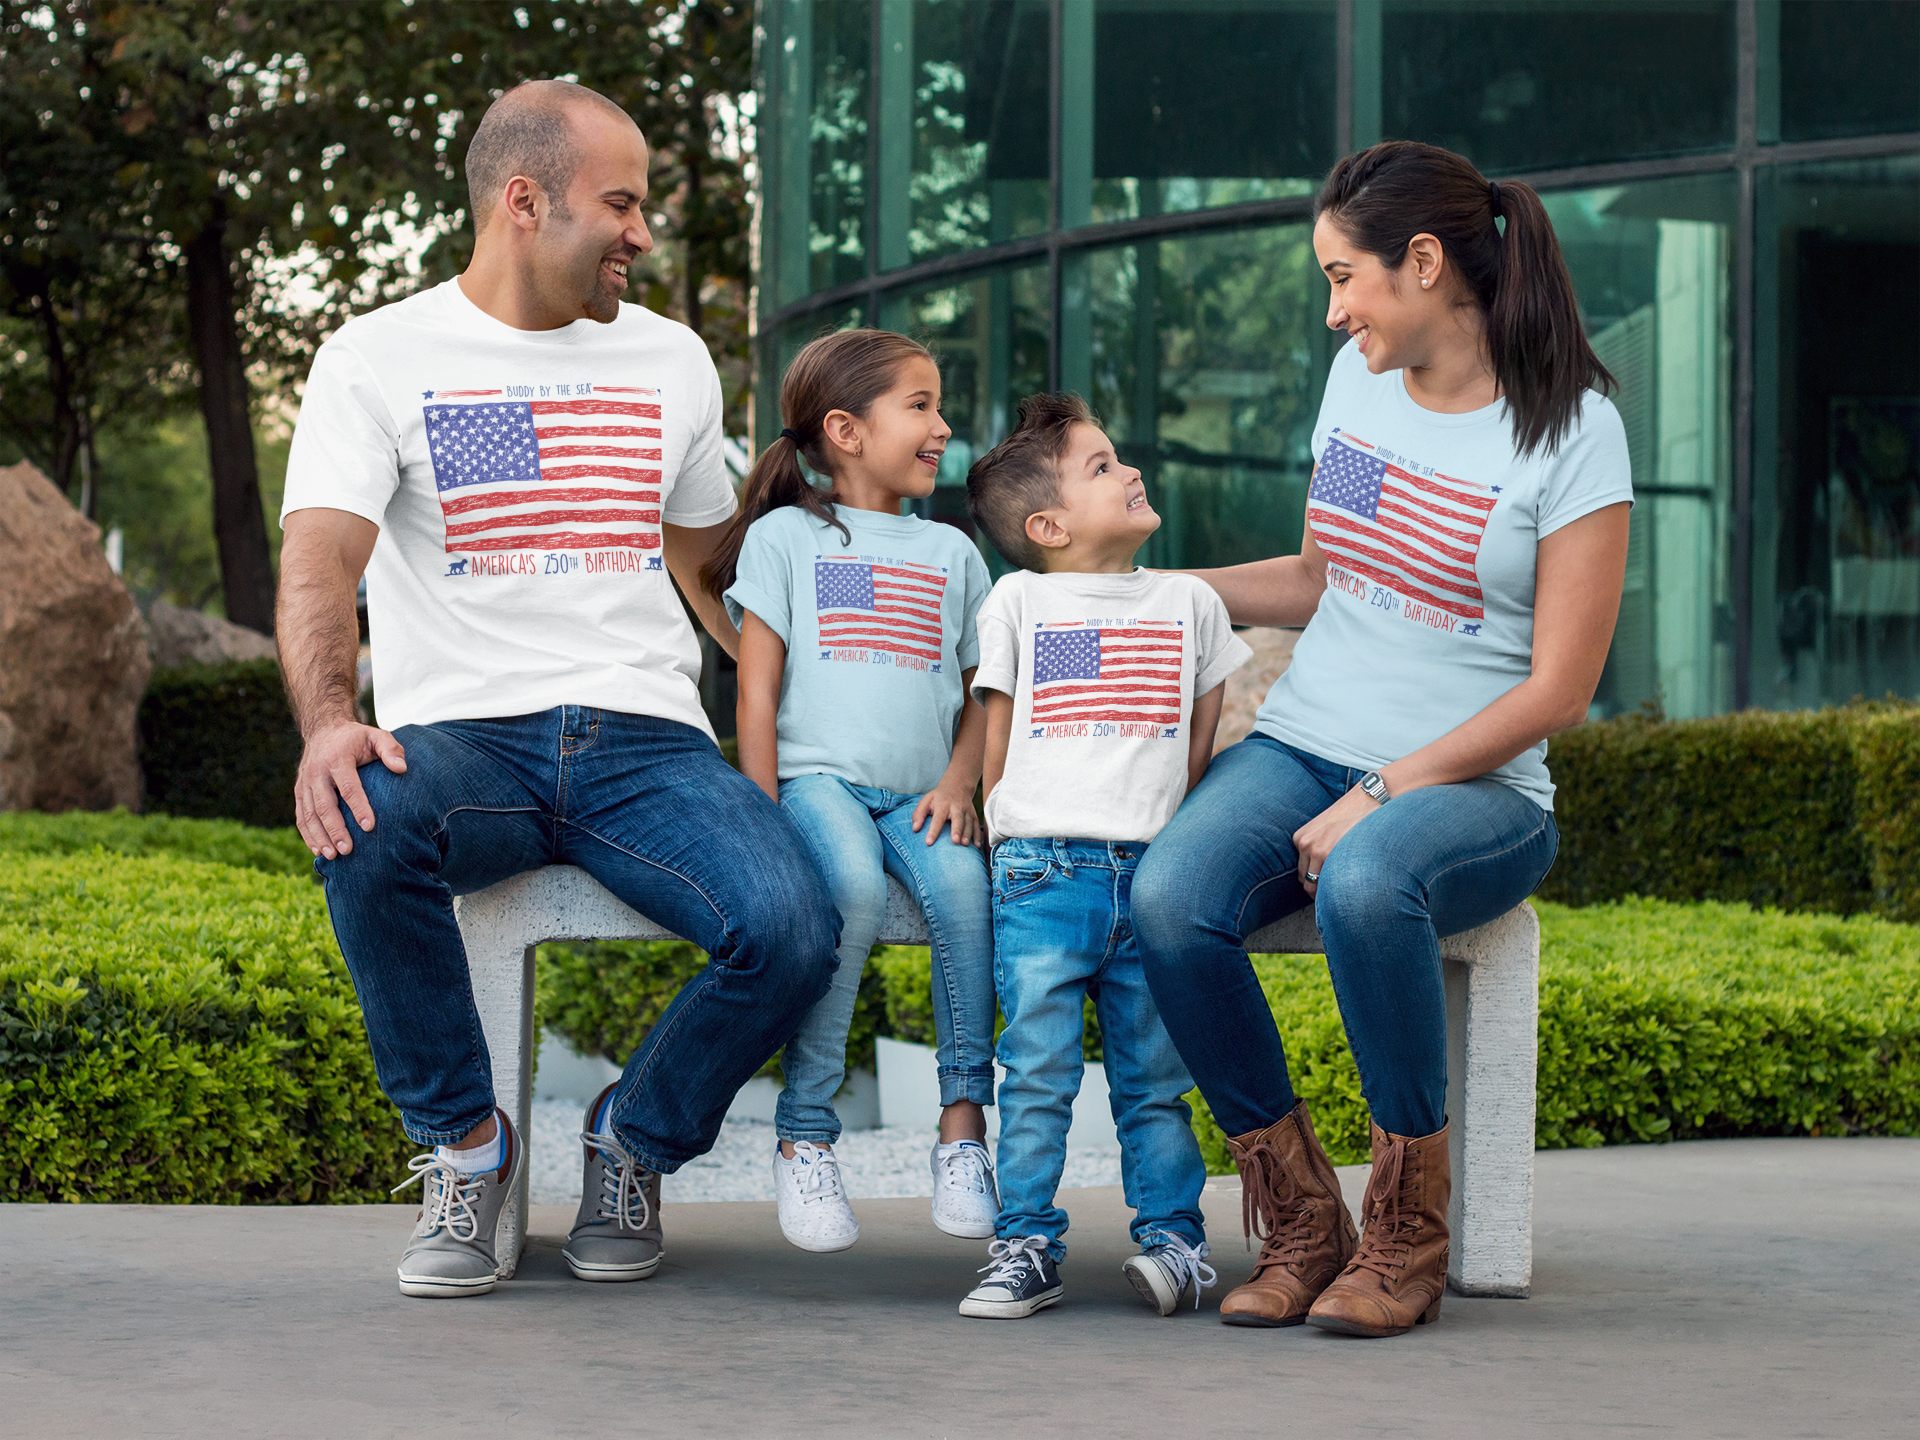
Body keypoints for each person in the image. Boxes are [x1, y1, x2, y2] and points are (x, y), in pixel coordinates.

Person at [276, 80, 838, 1299]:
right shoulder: (376, 356)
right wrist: (329, 726)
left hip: (646, 746)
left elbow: (708, 569)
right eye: (621, 204)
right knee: (361, 819)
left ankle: (632, 1138)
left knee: (792, 923)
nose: (642, 234)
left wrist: (841, 693)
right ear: (525, 203)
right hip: (466, 744)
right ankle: (470, 1153)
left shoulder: (671, 357)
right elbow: (320, 560)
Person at [1131, 140, 1633, 1337]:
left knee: (1367, 879)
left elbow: (1563, 688)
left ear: (1423, 263)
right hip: (1303, 740)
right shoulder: (1358, 385)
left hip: (1478, 788)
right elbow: (1316, 579)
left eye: (1344, 276)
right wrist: (1144, 593)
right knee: (1168, 899)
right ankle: (1305, 1220)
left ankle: (1406, 1227)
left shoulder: (1574, 431)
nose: (1332, 310)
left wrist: (1386, 788)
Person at [957, 394, 1251, 1320]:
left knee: (1154, 1081)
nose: (1128, 471)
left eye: (1117, 458)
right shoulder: (1019, 599)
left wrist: (1165, 832)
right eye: (1100, 467)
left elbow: (1202, 741)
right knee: (1035, 1071)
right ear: (1046, 526)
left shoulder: (1190, 602)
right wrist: (1001, 832)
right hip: (1042, 872)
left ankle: (1176, 1245)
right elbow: (996, 734)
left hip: (1155, 876)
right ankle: (1025, 1246)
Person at [705, 329, 999, 1252]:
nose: (941, 426)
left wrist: (963, 783)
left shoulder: (953, 553)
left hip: (923, 795)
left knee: (962, 893)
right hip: (817, 784)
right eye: (919, 406)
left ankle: (963, 1134)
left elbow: (986, 692)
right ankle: (805, 1137)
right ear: (844, 429)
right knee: (855, 893)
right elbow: (755, 691)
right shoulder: (786, 539)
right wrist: (762, 816)